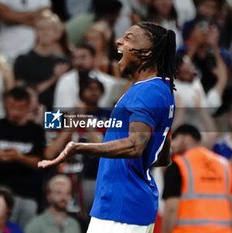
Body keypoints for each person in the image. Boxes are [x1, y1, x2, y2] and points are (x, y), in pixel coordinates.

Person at [39, 22, 176, 233]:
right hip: (126, 202)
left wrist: (80, 147)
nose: (118, 41)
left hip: (121, 204)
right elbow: (163, 155)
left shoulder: (146, 92)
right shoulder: (161, 88)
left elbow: (135, 146)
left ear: (147, 52)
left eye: (129, 38)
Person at [0, 86, 46, 228]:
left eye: (18, 108)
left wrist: (19, 157)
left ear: (27, 106)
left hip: (27, 193)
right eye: (10, 107)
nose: (13, 112)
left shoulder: (35, 131)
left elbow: (39, 162)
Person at [162, 124, 232, 233]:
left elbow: (171, 208)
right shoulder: (225, 165)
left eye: (175, 138)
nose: (172, 145)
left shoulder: (178, 165)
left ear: (187, 138)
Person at [53, 43, 125, 109]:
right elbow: (61, 111)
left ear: (93, 58)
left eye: (83, 57)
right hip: (71, 120)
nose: (78, 62)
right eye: (75, 58)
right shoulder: (65, 80)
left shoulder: (110, 82)